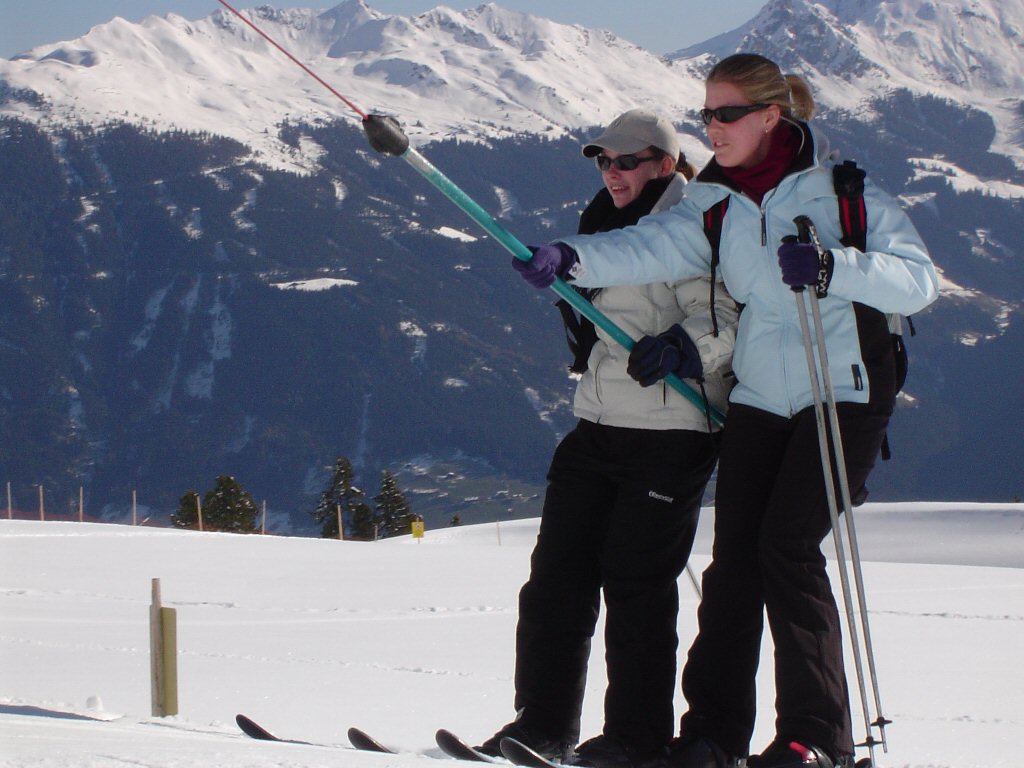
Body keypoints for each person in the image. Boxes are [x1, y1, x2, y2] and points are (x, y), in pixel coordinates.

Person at [512, 55, 939, 768]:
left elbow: (920, 282)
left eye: (727, 114)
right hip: (761, 397)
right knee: (734, 565)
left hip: (843, 395)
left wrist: (837, 268)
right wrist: (569, 258)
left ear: (773, 116)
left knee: (787, 551)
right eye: (707, 114)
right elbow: (649, 247)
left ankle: (813, 738)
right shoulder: (718, 204)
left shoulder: (844, 194)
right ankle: (712, 736)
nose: (712, 127)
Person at [477, 109, 739, 768]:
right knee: (555, 580)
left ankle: (635, 737)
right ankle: (542, 724)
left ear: (666, 163)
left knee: (636, 585)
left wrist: (686, 348)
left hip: (670, 431)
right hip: (597, 424)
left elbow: (728, 318)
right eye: (604, 161)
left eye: (627, 162)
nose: (612, 173)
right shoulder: (601, 223)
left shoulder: (692, 228)